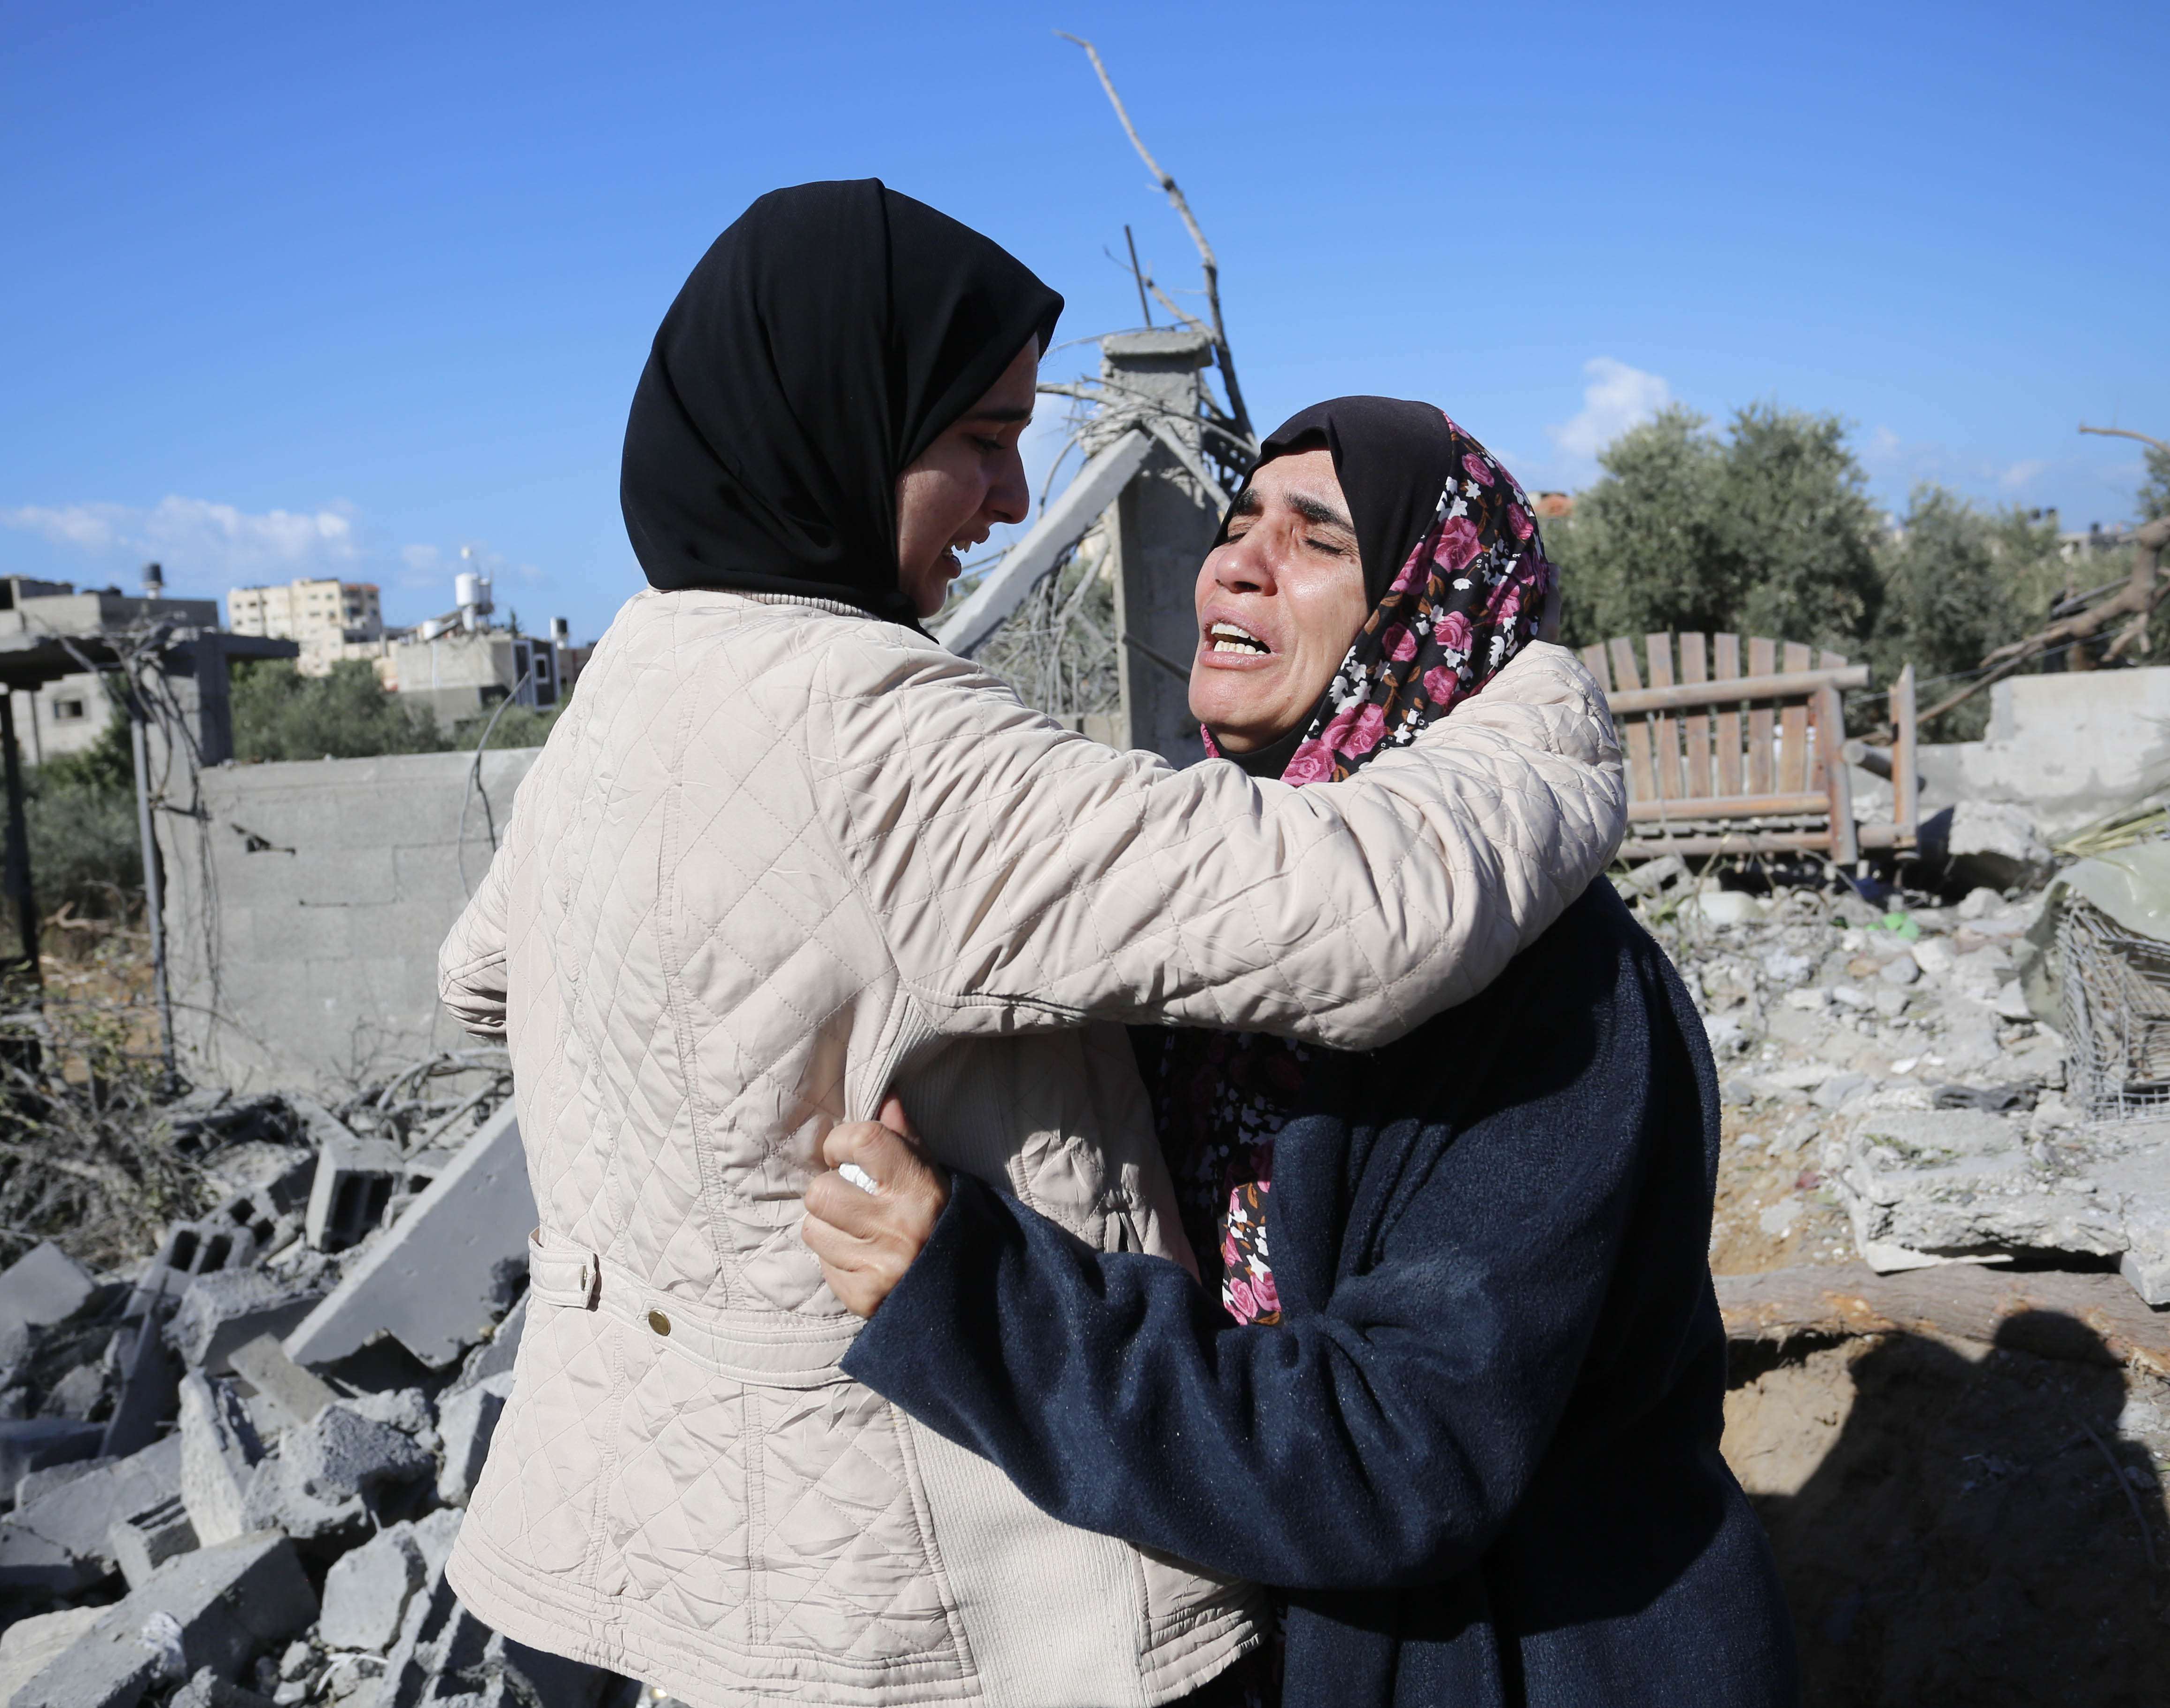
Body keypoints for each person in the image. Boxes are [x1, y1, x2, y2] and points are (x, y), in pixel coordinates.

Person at [437, 184, 1628, 1708]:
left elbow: (482, 978)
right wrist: (1533, 706)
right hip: (911, 1585)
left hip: (614, 1546)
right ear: (847, 430)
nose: (1010, 498)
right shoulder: (862, 727)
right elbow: (1359, 912)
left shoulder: (635, 675)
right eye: (979, 440)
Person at [802, 399, 1801, 1707]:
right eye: (1236, 523)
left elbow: (1398, 1457)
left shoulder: (1550, 987)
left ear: (1426, 611)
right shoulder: (1210, 925)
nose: (1236, 560)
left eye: (1315, 536)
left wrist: (973, 1294)